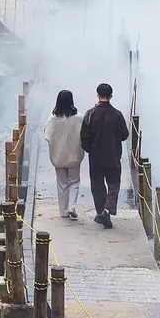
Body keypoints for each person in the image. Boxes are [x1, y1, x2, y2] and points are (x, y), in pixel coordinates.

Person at [79, 82, 129, 229]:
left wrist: (90, 149)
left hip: (95, 157)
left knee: (97, 186)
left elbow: (84, 136)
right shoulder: (117, 114)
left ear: (97, 95)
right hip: (113, 156)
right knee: (113, 185)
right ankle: (107, 210)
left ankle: (101, 211)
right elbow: (124, 135)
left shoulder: (90, 114)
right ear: (111, 96)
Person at [43, 89, 85, 219]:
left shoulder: (53, 118)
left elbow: (47, 135)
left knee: (62, 183)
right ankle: (72, 206)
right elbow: (84, 134)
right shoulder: (78, 117)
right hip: (74, 154)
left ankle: (64, 211)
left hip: (59, 155)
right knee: (74, 181)